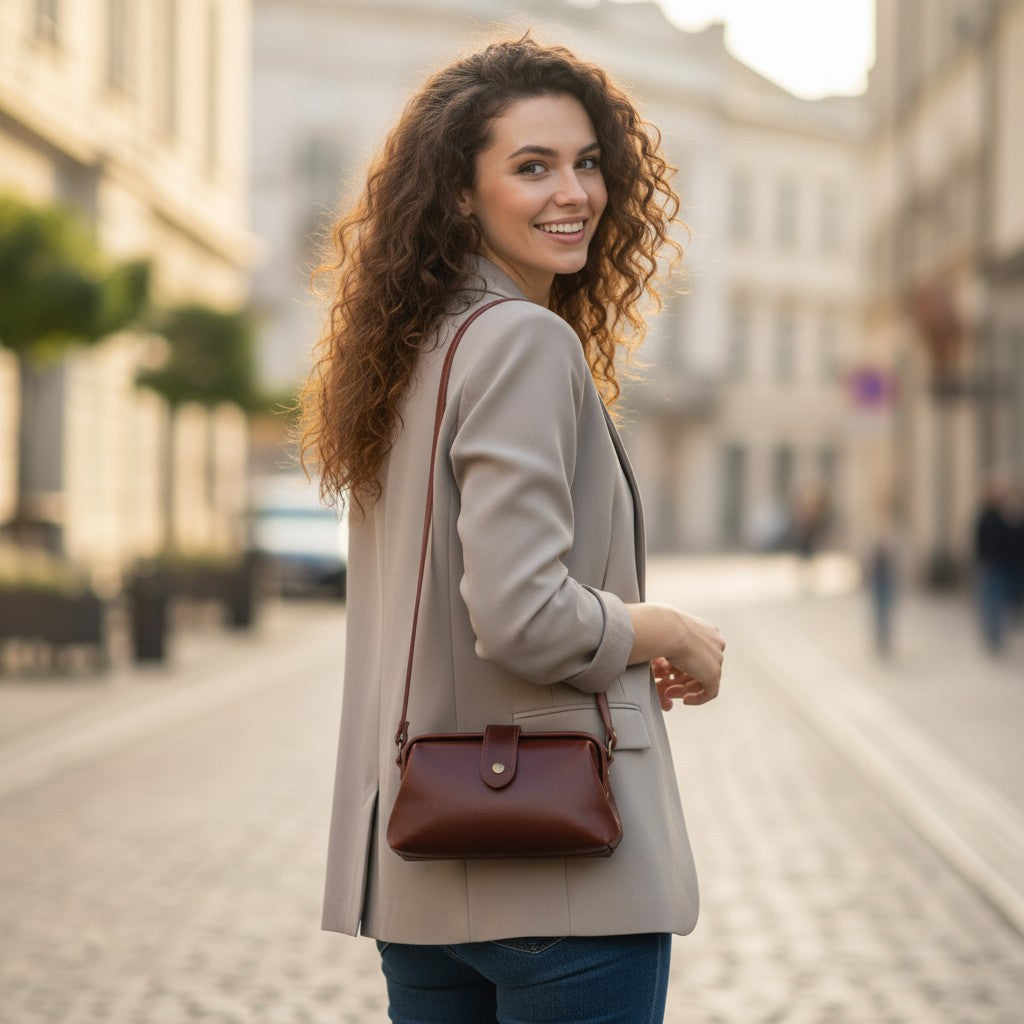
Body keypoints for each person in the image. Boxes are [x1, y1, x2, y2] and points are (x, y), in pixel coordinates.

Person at [300, 35, 726, 1024]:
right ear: (460, 192)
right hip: (556, 877)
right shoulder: (525, 341)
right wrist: (660, 628)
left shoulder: (413, 350)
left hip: (421, 879)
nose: (572, 191)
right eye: (530, 167)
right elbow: (522, 615)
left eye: (586, 163)